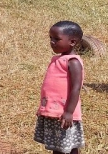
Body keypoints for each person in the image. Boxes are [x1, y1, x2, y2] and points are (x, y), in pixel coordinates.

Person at [34, 20, 86, 154]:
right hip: (54, 111)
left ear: (72, 42)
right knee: (58, 145)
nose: (52, 42)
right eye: (50, 38)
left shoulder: (73, 62)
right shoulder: (57, 59)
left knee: (69, 145)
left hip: (65, 112)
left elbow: (76, 88)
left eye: (56, 39)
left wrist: (69, 112)